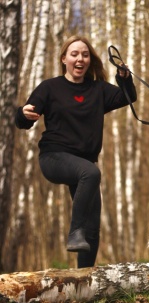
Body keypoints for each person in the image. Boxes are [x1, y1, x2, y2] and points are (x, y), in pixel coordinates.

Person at [15, 35, 137, 268]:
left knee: (92, 228)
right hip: (53, 158)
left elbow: (128, 97)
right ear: (64, 59)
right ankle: (75, 232)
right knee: (90, 173)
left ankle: (84, 281)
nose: (80, 58)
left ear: (89, 60)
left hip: (84, 164)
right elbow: (24, 121)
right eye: (74, 54)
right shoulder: (49, 88)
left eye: (85, 54)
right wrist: (22, 114)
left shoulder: (98, 90)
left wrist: (124, 78)